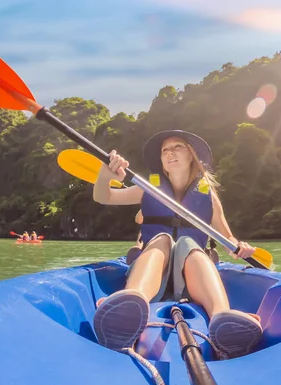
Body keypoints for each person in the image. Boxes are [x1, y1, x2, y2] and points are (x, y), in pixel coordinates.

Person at [92, 130, 263, 359]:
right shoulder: (148, 188)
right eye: (165, 150)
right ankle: (131, 301)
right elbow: (105, 197)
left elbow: (228, 239)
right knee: (162, 239)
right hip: (154, 272)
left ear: (192, 155)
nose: (170, 152)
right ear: (162, 162)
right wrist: (104, 177)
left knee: (189, 244)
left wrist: (240, 247)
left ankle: (222, 317)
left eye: (178, 147)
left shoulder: (208, 196)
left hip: (191, 278)